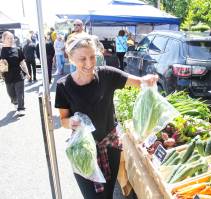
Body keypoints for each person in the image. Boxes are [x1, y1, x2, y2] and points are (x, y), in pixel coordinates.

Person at [55, 33, 158, 199]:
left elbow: (137, 81)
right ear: (71, 58)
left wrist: (148, 80)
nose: (89, 63)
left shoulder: (106, 75)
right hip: (82, 150)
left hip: (110, 147)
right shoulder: (63, 86)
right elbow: (63, 120)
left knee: (108, 194)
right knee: (92, 197)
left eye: (92, 57)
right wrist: (72, 122)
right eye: (82, 59)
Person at [0, 31, 30, 116]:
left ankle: (21, 108)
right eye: (8, 38)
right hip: (7, 76)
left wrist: (27, 73)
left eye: (11, 38)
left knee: (20, 92)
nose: (10, 40)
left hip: (18, 75)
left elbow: (23, 63)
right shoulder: (1, 51)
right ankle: (15, 102)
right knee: (11, 94)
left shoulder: (18, 49)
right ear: (3, 40)